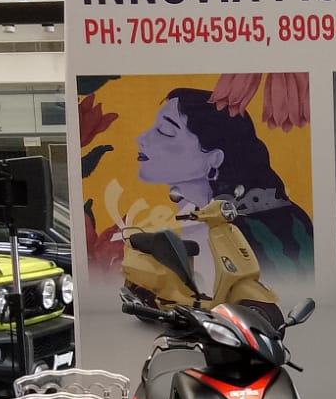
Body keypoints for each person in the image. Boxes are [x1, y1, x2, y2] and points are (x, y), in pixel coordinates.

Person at [133, 87, 314, 278]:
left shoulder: (257, 234)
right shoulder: (194, 219)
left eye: (166, 131)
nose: (141, 139)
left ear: (214, 158)